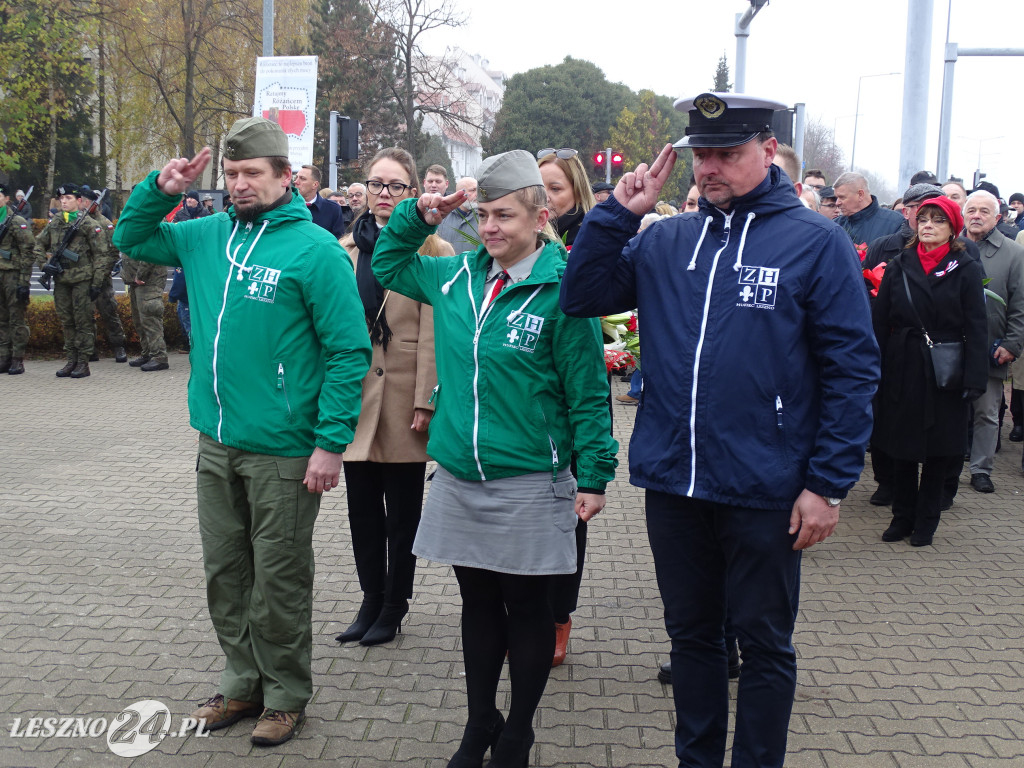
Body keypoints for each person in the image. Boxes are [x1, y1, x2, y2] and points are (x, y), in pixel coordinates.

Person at [560, 93, 879, 768]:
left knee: (764, 645)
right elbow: (582, 295)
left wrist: (827, 484)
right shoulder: (667, 239)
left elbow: (852, 371)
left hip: (767, 485)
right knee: (692, 637)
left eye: (727, 154)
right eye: (701, 155)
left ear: (767, 152)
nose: (710, 168)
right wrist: (618, 213)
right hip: (675, 479)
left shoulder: (817, 242)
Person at [112, 117, 372, 747]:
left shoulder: (314, 251)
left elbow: (348, 352)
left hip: (285, 449)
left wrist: (330, 443)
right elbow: (132, 237)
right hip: (216, 439)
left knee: (278, 576)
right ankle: (240, 683)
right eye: (231, 174)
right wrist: (160, 187)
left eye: (252, 173)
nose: (239, 184)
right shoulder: (205, 237)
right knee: (225, 571)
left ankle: (284, 695)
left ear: (285, 176)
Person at [372, 149, 617, 767]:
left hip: (531, 478)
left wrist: (595, 474)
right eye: (481, 215)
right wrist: (420, 214)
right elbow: (388, 262)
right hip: (459, 474)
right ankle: (481, 721)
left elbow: (587, 392)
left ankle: (519, 731)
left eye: (503, 215)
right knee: (476, 605)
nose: (489, 228)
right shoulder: (454, 276)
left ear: (540, 215)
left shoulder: (564, 289)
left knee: (527, 609)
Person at [335, 148, 453, 647]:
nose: (384, 195)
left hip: (405, 393)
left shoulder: (434, 251)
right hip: (357, 395)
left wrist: (427, 397)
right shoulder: (344, 249)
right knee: (362, 509)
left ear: (411, 193)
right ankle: (368, 596)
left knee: (403, 512)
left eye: (395, 186)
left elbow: (434, 330)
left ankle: (394, 603)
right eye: (376, 184)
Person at [872, 195, 987, 545]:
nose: (928, 226)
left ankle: (927, 520)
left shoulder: (964, 267)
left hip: (945, 366)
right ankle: (902, 517)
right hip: (903, 363)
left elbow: (977, 325)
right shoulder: (900, 263)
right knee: (901, 445)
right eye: (923, 219)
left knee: (939, 448)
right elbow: (880, 321)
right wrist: (874, 367)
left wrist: (974, 377)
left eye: (938, 220)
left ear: (952, 229)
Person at [536, 146, 604, 666]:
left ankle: (559, 617)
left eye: (555, 188)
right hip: (522, 410)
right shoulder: (511, 239)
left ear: (575, 192)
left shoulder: (588, 242)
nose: (546, 199)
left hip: (571, 401)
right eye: (537, 188)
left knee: (565, 522)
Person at [961, 190, 1024, 493]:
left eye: (984, 211)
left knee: (986, 412)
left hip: (990, 347)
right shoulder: (950, 246)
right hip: (948, 346)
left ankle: (981, 469)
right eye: (971, 210)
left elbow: (1020, 304)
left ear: (998, 217)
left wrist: (1012, 344)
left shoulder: (1014, 253)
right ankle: (942, 462)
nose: (976, 216)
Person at [34, 184, 109, 379]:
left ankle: (83, 363)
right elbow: (38, 245)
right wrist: (44, 265)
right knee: (67, 321)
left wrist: (96, 283)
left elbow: (102, 255)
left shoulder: (89, 224)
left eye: (68, 198)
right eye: (62, 199)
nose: (64, 202)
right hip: (62, 280)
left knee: (82, 321)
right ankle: (71, 360)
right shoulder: (56, 221)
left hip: (82, 280)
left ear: (79, 201)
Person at [80, 190, 128, 363]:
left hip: (102, 277)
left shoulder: (105, 224)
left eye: (85, 201)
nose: (82, 204)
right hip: (83, 275)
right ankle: (90, 349)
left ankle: (119, 346)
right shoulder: (79, 222)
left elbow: (114, 251)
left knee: (109, 311)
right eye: (82, 201)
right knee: (85, 314)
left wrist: (103, 272)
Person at [0, 184, 37, 375]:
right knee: (1, 319)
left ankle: (17, 359)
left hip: (12, 275)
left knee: (16, 319)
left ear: (7, 199)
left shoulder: (16, 221)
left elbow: (28, 252)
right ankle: (3, 357)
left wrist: (24, 281)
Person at [121, 246, 170, 372]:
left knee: (150, 320)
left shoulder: (146, 229)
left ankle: (159, 357)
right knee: (139, 321)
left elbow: (149, 252)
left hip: (148, 282)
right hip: (136, 283)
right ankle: (148, 354)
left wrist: (140, 275)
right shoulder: (135, 229)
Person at [833, 172, 904, 245]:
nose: (837, 203)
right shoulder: (835, 225)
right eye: (836, 198)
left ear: (860, 195)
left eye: (842, 197)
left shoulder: (895, 223)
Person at [295, 164, 346, 238]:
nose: (296, 182)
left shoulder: (332, 209)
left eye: (302, 178)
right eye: (296, 177)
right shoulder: (287, 206)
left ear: (315, 184)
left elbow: (338, 239)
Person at [435, 176, 480, 252]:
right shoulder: (442, 216)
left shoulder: (483, 218)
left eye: (478, 190)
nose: (477, 194)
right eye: (472, 190)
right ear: (459, 193)